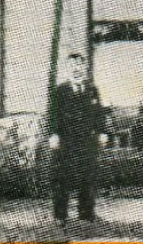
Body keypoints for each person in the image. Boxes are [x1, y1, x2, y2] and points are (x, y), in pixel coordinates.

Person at [46, 53, 109, 226]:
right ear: (68, 68)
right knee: (62, 177)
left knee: (88, 176)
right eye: (72, 65)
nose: (76, 69)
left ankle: (86, 213)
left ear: (84, 67)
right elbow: (52, 115)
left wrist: (103, 132)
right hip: (65, 140)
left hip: (87, 141)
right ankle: (60, 215)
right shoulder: (60, 90)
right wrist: (53, 134)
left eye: (79, 65)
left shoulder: (92, 89)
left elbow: (99, 114)